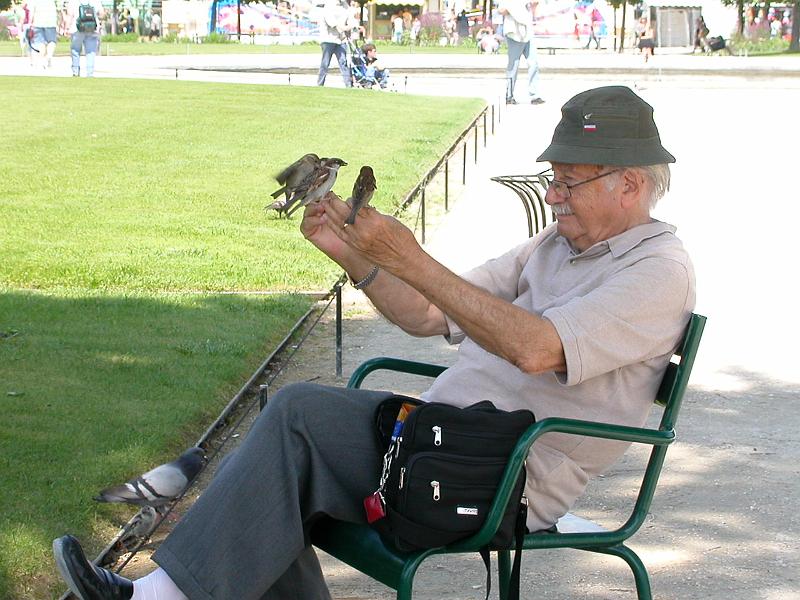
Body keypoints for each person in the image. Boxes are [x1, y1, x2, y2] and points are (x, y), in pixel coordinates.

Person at [53, 85, 696, 600]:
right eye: (552, 179)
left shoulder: (655, 271)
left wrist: (409, 255)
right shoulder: (557, 245)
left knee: (300, 418)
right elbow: (424, 312)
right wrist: (356, 257)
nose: (552, 196)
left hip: (503, 479)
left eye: (568, 182)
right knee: (292, 441)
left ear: (630, 184)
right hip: (446, 444)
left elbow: (536, 349)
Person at [499, 0, 544, 105]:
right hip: (514, 33)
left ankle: (534, 95)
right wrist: (513, 8)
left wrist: (533, 5)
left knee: (534, 63)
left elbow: (534, 6)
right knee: (513, 65)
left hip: (527, 32)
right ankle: (509, 95)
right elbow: (501, 10)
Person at [316, 0, 355, 88]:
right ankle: (320, 84)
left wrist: (350, 27)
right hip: (328, 40)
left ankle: (348, 85)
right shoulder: (328, 6)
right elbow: (333, 24)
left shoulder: (345, 5)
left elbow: (350, 19)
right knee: (325, 63)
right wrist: (346, 28)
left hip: (341, 40)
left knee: (343, 62)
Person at [65, 0, 104, 77]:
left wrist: (67, 27)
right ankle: (90, 73)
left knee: (75, 50)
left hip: (77, 28)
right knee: (91, 52)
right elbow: (102, 14)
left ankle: (75, 71)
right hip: (92, 28)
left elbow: (70, 14)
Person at [28, 0, 58, 69]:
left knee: (40, 42)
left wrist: (30, 22)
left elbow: (32, 11)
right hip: (51, 22)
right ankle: (49, 56)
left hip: (38, 22)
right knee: (52, 41)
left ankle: (42, 60)